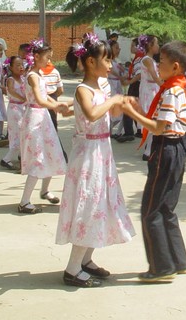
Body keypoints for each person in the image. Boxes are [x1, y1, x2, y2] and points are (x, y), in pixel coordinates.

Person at [56, 35, 134, 288]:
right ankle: (72, 269)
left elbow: (110, 113)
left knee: (100, 204)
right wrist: (112, 101)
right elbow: (91, 115)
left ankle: (85, 260)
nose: (111, 64)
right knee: (88, 206)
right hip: (88, 154)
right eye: (107, 59)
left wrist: (121, 103)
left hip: (102, 151)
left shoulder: (101, 87)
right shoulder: (83, 90)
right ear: (91, 62)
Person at [121, 40, 186, 282]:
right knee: (166, 208)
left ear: (175, 66)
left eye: (161, 62)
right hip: (174, 150)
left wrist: (131, 113)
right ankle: (178, 261)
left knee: (151, 210)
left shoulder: (171, 91)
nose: (157, 66)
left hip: (165, 150)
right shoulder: (175, 88)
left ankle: (161, 267)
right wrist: (139, 110)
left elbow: (159, 128)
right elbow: (160, 120)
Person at [18, 39, 69, 214]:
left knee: (51, 153)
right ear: (37, 56)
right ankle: (24, 202)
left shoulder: (39, 74)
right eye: (47, 57)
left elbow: (46, 97)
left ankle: (44, 190)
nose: (49, 61)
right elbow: (40, 100)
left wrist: (59, 105)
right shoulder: (32, 76)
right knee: (38, 158)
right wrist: (56, 106)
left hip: (43, 118)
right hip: (35, 118)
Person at [138, 34, 162, 158]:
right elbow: (155, 76)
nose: (158, 46)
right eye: (156, 43)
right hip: (149, 91)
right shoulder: (147, 60)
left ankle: (150, 148)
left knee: (154, 118)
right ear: (150, 45)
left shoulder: (151, 60)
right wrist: (165, 86)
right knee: (152, 118)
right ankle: (148, 151)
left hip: (153, 89)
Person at [0, 56, 26, 172]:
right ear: (11, 67)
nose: (20, 67)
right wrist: (22, 98)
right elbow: (11, 90)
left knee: (22, 132)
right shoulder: (10, 79)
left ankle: (21, 156)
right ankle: (6, 159)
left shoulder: (24, 79)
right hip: (15, 108)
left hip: (23, 107)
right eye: (17, 65)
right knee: (17, 133)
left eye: (22, 64)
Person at [118, 37, 143, 142]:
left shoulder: (139, 59)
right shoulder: (138, 58)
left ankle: (129, 132)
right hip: (136, 85)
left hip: (136, 86)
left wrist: (129, 82)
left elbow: (139, 75)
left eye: (132, 45)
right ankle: (139, 130)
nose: (130, 48)